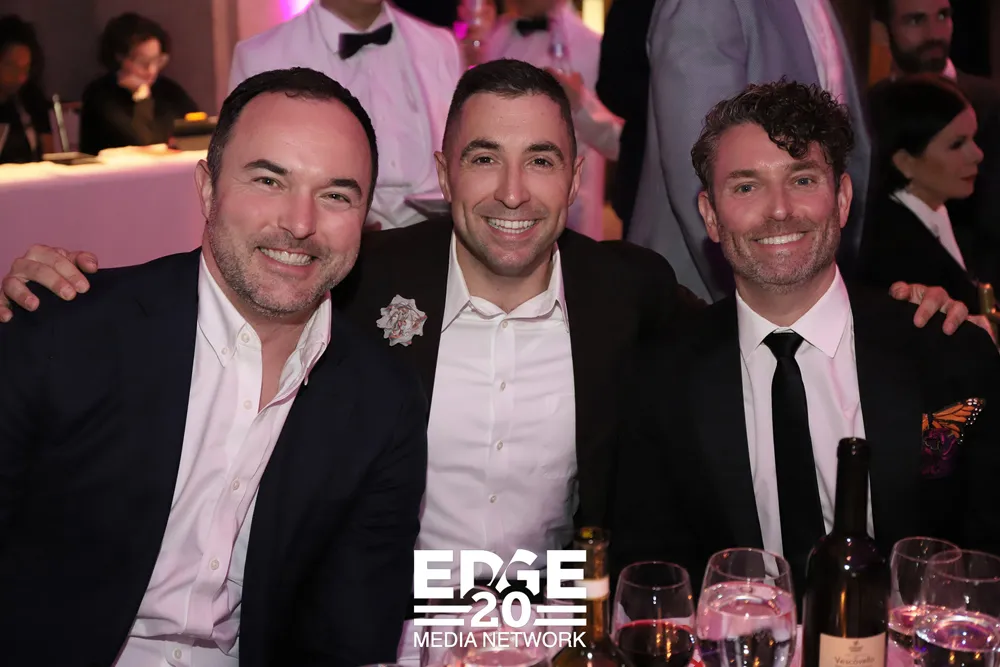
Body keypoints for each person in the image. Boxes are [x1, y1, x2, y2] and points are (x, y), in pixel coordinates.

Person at [0, 59, 969, 647]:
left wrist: (913, 304)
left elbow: (765, 307)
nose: (511, 192)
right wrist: (54, 280)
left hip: (557, 629)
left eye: (540, 159)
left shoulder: (627, 293)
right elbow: (242, 274)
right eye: (482, 158)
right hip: (373, 623)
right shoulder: (357, 275)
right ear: (441, 172)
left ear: (575, 176)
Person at [0, 67, 427, 666]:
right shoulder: (67, 331)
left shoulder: (382, 400)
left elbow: (349, 633)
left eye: (336, 195)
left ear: (366, 218)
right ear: (207, 189)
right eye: (269, 180)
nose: (300, 223)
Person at [612, 80, 1000, 597]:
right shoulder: (661, 378)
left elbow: (984, 554)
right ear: (710, 215)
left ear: (842, 199)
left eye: (802, 180)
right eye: (746, 187)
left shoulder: (946, 352)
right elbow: (652, 576)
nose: (779, 210)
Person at [627, 0, 871, 303]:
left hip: (818, 287)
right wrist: (753, 315)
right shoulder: (707, 6)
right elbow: (703, 171)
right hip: (705, 295)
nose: (780, 209)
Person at [228, 0, 463, 231]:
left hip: (436, 236)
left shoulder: (440, 46)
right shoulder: (260, 56)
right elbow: (251, 179)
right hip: (318, 236)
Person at [873, 0, 1000, 287]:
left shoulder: (992, 102)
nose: (934, 32)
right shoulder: (867, 107)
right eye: (915, 20)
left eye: (943, 15)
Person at [480, 0, 623, 240]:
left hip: (571, 217)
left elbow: (620, 143)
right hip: (502, 199)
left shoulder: (591, 46)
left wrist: (580, 103)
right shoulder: (498, 35)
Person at [862, 74, 992, 313]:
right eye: (957, 144)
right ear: (905, 162)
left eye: (973, 138)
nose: (977, 154)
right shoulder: (893, 251)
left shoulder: (962, 215)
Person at [79, 13, 198, 155]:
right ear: (120, 58)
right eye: (143, 62)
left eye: (157, 60)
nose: (151, 70)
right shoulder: (100, 96)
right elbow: (143, 143)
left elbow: (197, 131)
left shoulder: (168, 90)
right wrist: (142, 98)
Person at [0, 15, 52, 163]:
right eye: (12, 67)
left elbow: (49, 156)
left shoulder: (30, 99)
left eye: (25, 69)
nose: (21, 77)